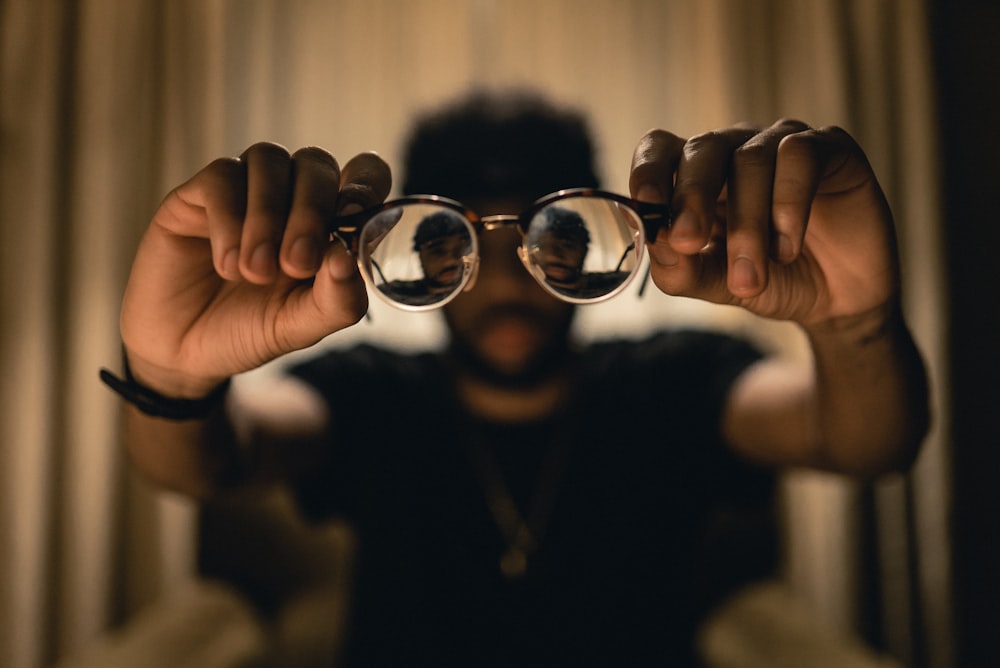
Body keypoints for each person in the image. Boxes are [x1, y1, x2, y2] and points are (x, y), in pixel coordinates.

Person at [103, 90, 929, 666]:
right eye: (457, 247)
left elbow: (865, 443)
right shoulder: (370, 394)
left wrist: (853, 325)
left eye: (550, 239)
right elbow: (204, 462)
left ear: (592, 246)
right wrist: (173, 375)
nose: (504, 283)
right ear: (421, 256)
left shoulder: (675, 379)